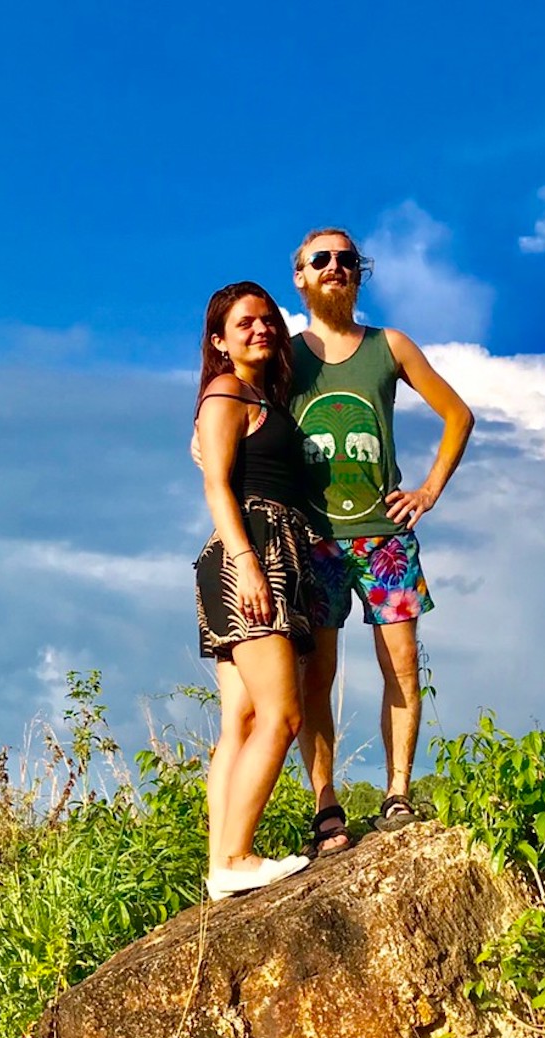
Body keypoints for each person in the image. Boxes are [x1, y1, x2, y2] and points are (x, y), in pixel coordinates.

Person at [288, 228, 474, 856]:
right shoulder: (284, 355)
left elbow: (458, 415)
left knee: (400, 665)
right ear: (301, 276)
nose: (335, 267)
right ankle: (326, 807)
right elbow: (233, 410)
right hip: (313, 541)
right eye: (322, 259)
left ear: (358, 274)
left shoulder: (388, 346)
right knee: (317, 675)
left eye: (347, 259)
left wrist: (427, 490)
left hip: (383, 536)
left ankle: (397, 792)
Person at [192, 282, 314, 900]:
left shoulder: (260, 396)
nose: (261, 329)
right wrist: (247, 562)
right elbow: (216, 485)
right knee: (281, 714)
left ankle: (221, 862)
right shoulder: (226, 394)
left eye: (268, 320)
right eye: (245, 323)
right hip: (253, 550)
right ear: (220, 340)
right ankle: (235, 857)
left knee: (240, 718)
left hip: (264, 548)